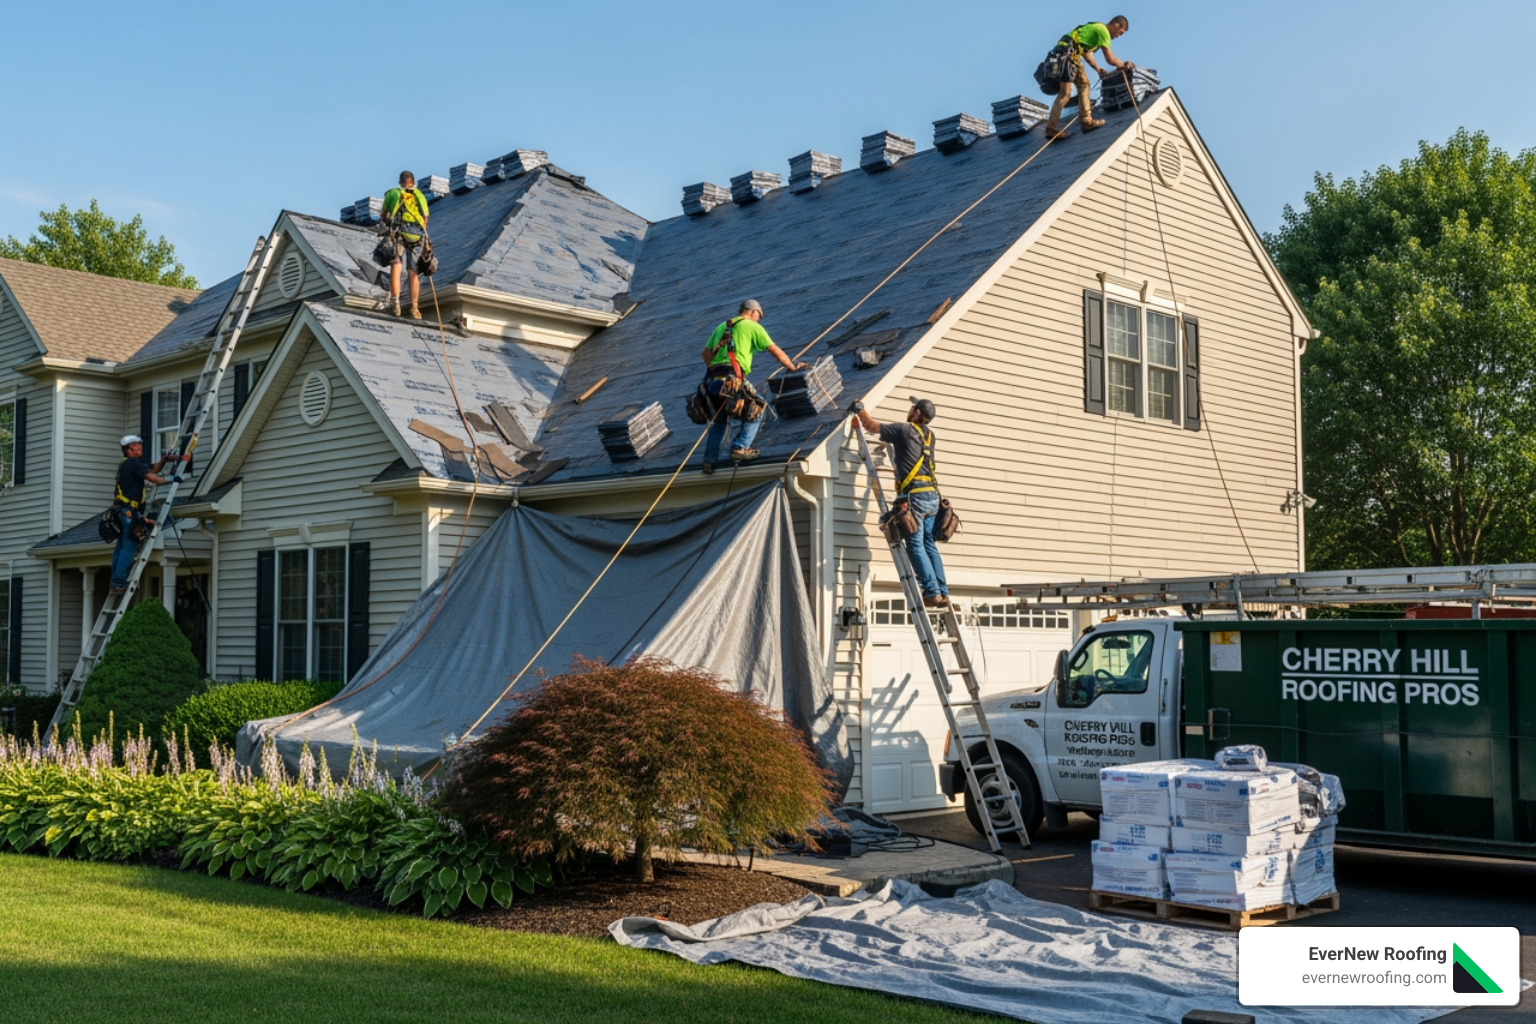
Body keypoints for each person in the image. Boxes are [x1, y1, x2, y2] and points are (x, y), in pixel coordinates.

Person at [852, 397, 950, 608]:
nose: (910, 410)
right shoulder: (930, 436)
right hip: (932, 496)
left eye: (912, 407)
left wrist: (859, 409)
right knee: (928, 543)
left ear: (916, 413)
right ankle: (942, 591)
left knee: (915, 545)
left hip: (915, 497)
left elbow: (871, 426)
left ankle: (932, 592)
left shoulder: (904, 430)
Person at [699, 299, 806, 473]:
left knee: (719, 420)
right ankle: (739, 447)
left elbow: (705, 353)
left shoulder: (722, 326)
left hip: (713, 381)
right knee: (757, 408)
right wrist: (792, 366)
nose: (759, 319)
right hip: (733, 380)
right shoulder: (752, 326)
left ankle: (709, 461)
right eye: (759, 316)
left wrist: (719, 370)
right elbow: (774, 349)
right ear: (753, 311)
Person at [109, 434, 187, 596]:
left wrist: (164, 461)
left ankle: (115, 582)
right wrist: (174, 479)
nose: (139, 447)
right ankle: (118, 583)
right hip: (129, 512)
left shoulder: (130, 463)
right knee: (129, 547)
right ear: (127, 449)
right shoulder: (132, 463)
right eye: (135, 445)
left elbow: (152, 469)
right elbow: (154, 478)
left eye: (139, 444)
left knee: (122, 547)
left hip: (123, 511)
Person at [1042, 16, 1135, 140]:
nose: (1119, 36)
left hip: (1060, 55)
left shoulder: (1095, 28)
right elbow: (1110, 58)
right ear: (1116, 25)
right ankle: (1086, 121)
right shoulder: (1104, 31)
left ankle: (1051, 128)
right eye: (1120, 32)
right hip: (1069, 56)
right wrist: (1123, 65)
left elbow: (1086, 53)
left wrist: (1097, 69)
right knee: (1084, 85)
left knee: (1065, 94)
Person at [382, 171, 430, 319]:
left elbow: (384, 215)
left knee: (396, 265)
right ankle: (415, 307)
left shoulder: (393, 194)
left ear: (400, 182)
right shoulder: (420, 195)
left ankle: (395, 301)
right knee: (413, 271)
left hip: (399, 232)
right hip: (417, 234)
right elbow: (425, 217)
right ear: (413, 183)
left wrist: (388, 225)